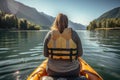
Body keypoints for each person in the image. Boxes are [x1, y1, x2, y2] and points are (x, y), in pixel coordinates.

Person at [43, 13, 83, 78]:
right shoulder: (74, 34)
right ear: (67, 23)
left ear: (56, 22)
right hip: (72, 71)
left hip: (52, 71)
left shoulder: (49, 34)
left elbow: (45, 54)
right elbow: (80, 54)